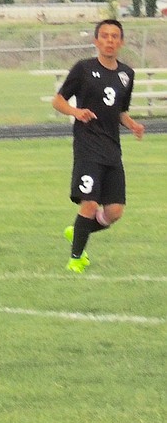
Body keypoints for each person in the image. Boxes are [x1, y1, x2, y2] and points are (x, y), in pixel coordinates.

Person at [52, 18, 144, 272]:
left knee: (114, 212)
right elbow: (58, 100)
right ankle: (76, 259)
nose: (110, 40)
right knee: (90, 204)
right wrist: (75, 111)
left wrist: (133, 125)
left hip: (112, 149)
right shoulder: (83, 69)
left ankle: (79, 230)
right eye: (104, 36)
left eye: (115, 36)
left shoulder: (127, 74)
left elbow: (119, 111)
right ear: (96, 41)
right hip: (87, 148)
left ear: (121, 42)